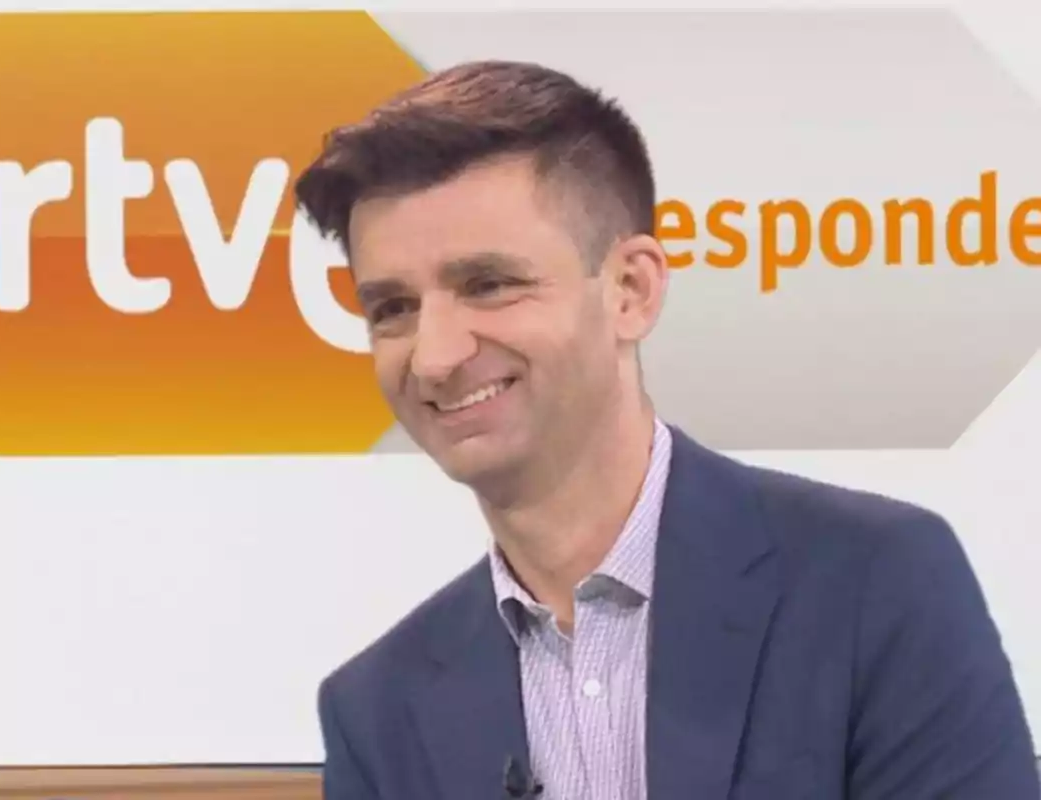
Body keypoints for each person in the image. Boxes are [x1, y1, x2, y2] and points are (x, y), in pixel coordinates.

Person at [292, 60, 1040, 799]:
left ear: (631, 290)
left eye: (487, 285)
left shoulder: (875, 584)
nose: (434, 355)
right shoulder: (376, 713)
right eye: (392, 308)